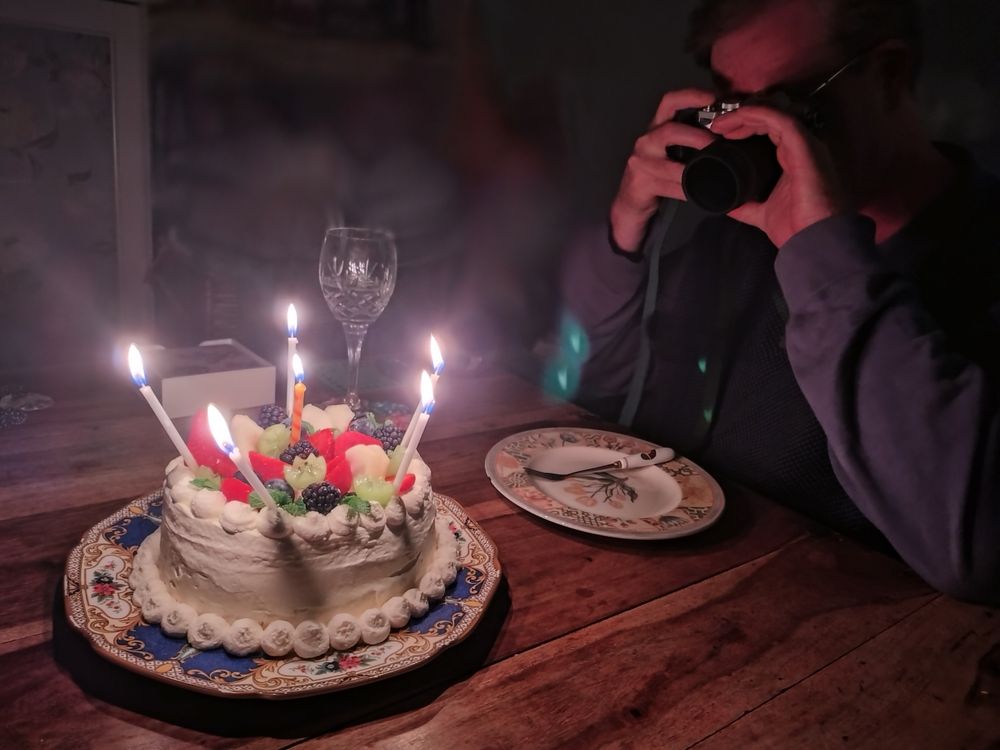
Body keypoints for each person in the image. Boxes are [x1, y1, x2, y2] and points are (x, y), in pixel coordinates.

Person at [562, 0, 1000, 601]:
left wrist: (821, 256)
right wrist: (624, 233)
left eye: (792, 105)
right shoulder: (740, 236)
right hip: (644, 593)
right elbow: (589, 385)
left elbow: (974, 548)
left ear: (891, 74)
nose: (757, 137)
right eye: (733, 106)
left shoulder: (980, 251)